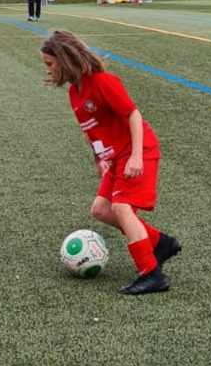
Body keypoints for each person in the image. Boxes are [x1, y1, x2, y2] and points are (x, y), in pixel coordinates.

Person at [39, 30, 181, 295]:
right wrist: (98, 158)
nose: (47, 70)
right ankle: (160, 243)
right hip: (116, 157)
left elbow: (133, 114)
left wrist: (137, 155)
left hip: (139, 149)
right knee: (101, 210)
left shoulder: (103, 82)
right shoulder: (74, 92)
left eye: (49, 63)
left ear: (65, 59)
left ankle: (151, 274)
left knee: (121, 206)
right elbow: (90, 128)